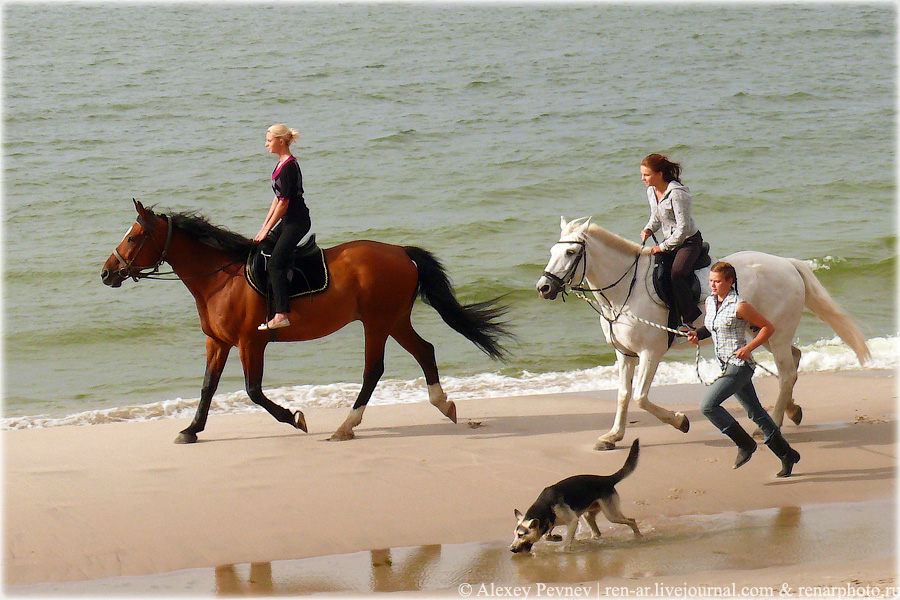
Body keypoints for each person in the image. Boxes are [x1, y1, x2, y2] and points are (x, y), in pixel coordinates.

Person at [687, 262, 801, 477]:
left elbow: (768, 327)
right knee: (756, 412)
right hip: (725, 364)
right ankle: (787, 454)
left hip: (740, 367)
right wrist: (697, 335)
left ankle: (745, 444)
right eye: (711, 281)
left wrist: (749, 348)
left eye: (718, 281)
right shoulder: (711, 302)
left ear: (730, 282)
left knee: (708, 406)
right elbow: (711, 327)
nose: (713, 285)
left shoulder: (740, 305)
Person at [253, 124, 312, 330]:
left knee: (275, 264)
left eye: (269, 140)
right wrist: (264, 226)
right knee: (262, 248)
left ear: (280, 141)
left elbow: (284, 203)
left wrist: (268, 229)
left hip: (297, 221)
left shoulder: (289, 166)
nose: (266, 144)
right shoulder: (280, 164)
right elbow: (276, 199)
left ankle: (281, 314)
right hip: (286, 221)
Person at [639, 153, 704, 330]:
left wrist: (661, 247)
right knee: (659, 275)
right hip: (670, 241)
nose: (643, 178)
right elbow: (657, 216)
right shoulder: (651, 191)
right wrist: (648, 229)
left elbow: (682, 229)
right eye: (642, 174)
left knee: (677, 273)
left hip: (688, 242)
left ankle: (690, 318)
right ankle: (670, 316)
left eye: (646, 175)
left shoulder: (677, 194)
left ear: (659, 174)